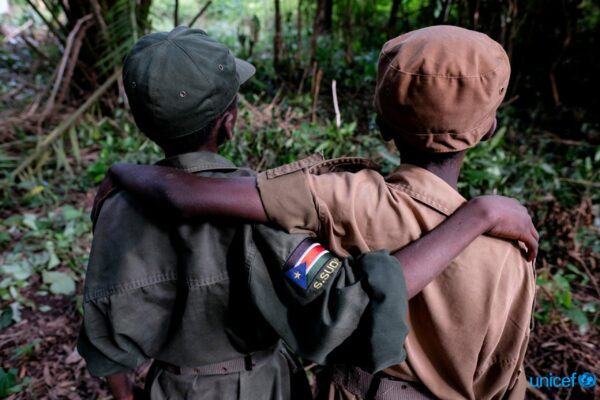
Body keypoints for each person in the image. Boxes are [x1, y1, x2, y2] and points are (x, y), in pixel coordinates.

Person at [78, 27, 537, 400]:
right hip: (261, 384)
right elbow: (340, 304)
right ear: (230, 120)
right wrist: (477, 216)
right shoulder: (267, 216)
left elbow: (105, 331)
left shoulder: (117, 210)